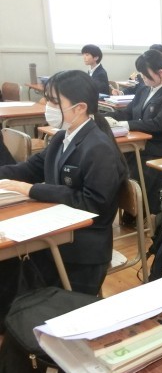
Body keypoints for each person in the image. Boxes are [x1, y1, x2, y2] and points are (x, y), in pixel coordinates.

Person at [0, 70, 127, 295]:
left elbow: (93, 204)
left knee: (14, 273)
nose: (47, 106)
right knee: (9, 266)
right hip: (58, 231)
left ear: (80, 108)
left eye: (54, 102)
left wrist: (34, 190)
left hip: (83, 247)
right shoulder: (62, 137)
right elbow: (28, 169)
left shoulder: (98, 148)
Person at [110, 49, 162, 213]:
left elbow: (158, 124)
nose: (142, 78)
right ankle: (131, 211)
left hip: (158, 149)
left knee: (135, 171)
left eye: (145, 75)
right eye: (141, 74)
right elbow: (128, 112)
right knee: (114, 164)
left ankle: (141, 212)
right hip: (139, 145)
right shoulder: (144, 90)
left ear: (160, 73)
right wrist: (107, 118)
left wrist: (128, 125)